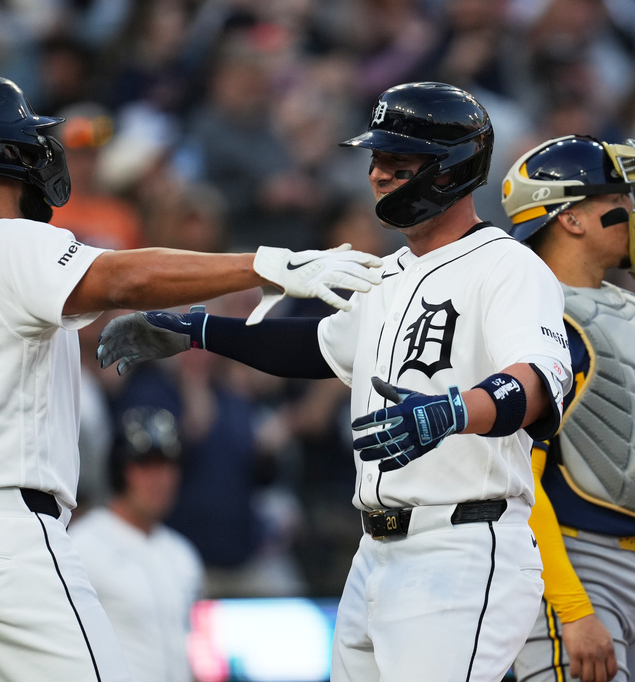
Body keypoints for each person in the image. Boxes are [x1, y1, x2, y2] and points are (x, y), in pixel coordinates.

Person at [0, 75, 384, 682]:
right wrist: (263, 265)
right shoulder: (3, 240)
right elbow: (119, 280)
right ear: (3, 153)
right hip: (0, 538)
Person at [98, 81, 574, 682]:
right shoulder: (390, 273)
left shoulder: (507, 265)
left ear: (451, 171)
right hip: (376, 551)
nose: (377, 175)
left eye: (397, 163)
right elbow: (316, 346)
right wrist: (199, 330)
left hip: (461, 544)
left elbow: (538, 380)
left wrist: (449, 411)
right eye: (376, 160)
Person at [500, 134, 635, 682]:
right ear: (572, 219)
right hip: (574, 569)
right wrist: (572, 608)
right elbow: (516, 485)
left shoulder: (632, 312)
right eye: (620, 201)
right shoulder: (539, 316)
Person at [69, 406, 203, 682]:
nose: (161, 479)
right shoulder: (81, 545)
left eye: (168, 465)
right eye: (146, 465)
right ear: (120, 470)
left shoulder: (183, 554)